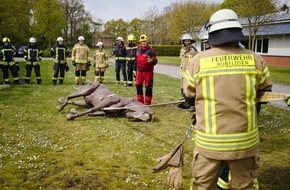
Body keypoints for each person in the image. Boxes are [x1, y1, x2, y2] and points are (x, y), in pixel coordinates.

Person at [182, 9, 272, 189]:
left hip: (209, 143)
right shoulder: (256, 60)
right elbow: (264, 94)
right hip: (245, 143)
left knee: (203, 186)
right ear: (236, 32)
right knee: (245, 186)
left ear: (212, 33)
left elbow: (189, 95)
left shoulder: (198, 61)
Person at [135, 34, 157, 105]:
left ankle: (147, 103)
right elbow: (136, 61)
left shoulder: (151, 51)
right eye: (142, 42)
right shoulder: (138, 50)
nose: (143, 43)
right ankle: (140, 102)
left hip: (148, 72)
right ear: (140, 42)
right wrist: (134, 70)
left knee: (148, 87)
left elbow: (155, 61)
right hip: (139, 71)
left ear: (147, 42)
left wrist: (151, 60)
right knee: (138, 86)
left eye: (144, 41)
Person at [178, 33, 198, 111]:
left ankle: (192, 105)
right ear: (183, 42)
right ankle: (185, 101)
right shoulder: (182, 50)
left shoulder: (194, 50)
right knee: (183, 87)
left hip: (190, 72)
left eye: (188, 41)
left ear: (191, 41)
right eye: (185, 41)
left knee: (190, 87)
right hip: (183, 71)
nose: (187, 42)